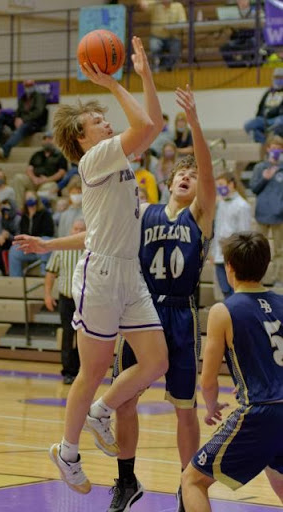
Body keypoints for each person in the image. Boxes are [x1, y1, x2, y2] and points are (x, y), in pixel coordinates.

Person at [13, 36, 168, 494]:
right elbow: (148, 126)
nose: (105, 122)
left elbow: (153, 122)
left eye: (104, 118)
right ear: (81, 139)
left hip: (126, 272)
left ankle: (102, 411)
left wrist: (50, 242)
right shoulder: (98, 157)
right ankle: (67, 450)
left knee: (156, 361)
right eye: (97, 121)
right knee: (92, 370)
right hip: (100, 276)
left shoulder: (116, 160)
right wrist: (122, 82)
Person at [108, 86, 215, 512]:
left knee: (184, 409)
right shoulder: (145, 211)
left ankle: (188, 486)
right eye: (181, 174)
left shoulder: (200, 215)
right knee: (125, 399)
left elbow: (207, 175)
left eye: (192, 175)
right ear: (169, 182)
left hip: (181, 313)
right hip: (140, 309)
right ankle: (126, 479)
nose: (187, 177)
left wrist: (194, 124)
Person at [182, 231, 283, 511]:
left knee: (192, 481)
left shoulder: (223, 310)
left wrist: (211, 404)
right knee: (278, 476)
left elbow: (209, 377)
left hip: (261, 412)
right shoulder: (282, 303)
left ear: (229, 267)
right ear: (266, 265)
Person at [44, 217, 86, 385]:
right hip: (66, 298)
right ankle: (68, 371)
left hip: (85, 300)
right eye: (75, 229)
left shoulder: (92, 248)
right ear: (70, 231)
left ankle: (83, 370)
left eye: (81, 229)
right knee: (68, 334)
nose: (77, 232)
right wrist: (47, 294)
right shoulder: (61, 249)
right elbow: (50, 273)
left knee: (84, 336)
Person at [212, 171, 252, 298]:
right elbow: (217, 230)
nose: (219, 188)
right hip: (220, 255)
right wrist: (214, 252)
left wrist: (239, 254)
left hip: (234, 255)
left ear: (231, 184)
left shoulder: (242, 205)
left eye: (222, 184)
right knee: (225, 291)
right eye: (217, 185)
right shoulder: (221, 203)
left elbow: (244, 233)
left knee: (235, 291)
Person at [250, 135, 283, 287]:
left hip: (280, 215)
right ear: (268, 148)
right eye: (273, 147)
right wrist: (264, 178)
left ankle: (279, 280)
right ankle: (257, 278)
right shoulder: (259, 168)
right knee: (259, 249)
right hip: (262, 214)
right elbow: (254, 189)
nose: (275, 150)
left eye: (279, 147)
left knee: (279, 250)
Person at [0, 79, 48, 159]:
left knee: (24, 127)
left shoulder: (39, 97)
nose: (29, 87)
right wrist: (16, 119)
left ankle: (4, 150)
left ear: (34, 86)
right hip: (22, 121)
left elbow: (38, 112)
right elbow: (18, 111)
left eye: (30, 85)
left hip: (34, 123)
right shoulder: (22, 98)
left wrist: (23, 119)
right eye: (27, 86)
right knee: (1, 116)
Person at [12, 131, 68, 208]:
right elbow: (29, 169)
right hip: (34, 181)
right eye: (45, 138)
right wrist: (34, 178)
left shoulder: (60, 156)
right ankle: (19, 209)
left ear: (55, 141)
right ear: (42, 141)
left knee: (48, 187)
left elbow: (61, 173)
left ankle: (39, 211)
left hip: (49, 182)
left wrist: (47, 180)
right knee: (18, 178)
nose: (48, 140)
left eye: (50, 138)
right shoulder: (36, 154)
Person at [8, 190, 53, 277]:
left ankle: (44, 275)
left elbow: (49, 232)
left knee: (46, 240)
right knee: (13, 250)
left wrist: (35, 240)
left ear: (36, 199)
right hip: (29, 246)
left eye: (31, 197)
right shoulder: (24, 216)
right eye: (27, 198)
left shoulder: (45, 214)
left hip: (40, 243)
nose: (30, 199)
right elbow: (22, 233)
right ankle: (15, 278)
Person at [139, 0, 187, 72]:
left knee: (176, 47)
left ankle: (170, 69)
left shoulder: (178, 6)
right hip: (157, 36)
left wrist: (173, 27)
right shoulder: (155, 5)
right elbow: (144, 5)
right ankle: (156, 69)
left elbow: (183, 22)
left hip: (173, 37)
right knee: (154, 47)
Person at [244, 67, 283, 144]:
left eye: (280, 78)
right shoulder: (268, 92)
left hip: (278, 118)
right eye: (276, 77)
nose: (278, 80)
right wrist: (259, 117)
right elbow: (260, 107)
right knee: (249, 125)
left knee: (280, 122)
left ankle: (276, 141)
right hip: (264, 119)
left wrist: (271, 112)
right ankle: (266, 142)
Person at [220, 0, 263, 69]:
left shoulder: (256, 10)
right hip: (239, 37)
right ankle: (237, 67)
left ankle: (253, 66)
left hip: (252, 36)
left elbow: (262, 24)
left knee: (252, 43)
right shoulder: (233, 12)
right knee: (225, 48)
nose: (241, 1)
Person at [0, 198, 21, 276]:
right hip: (3, 241)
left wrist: (8, 236)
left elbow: (19, 236)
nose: (5, 211)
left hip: (14, 241)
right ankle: (0, 269)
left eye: (7, 209)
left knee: (6, 248)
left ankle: (6, 271)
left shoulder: (18, 219)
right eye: (3, 208)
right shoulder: (0, 219)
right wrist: (0, 237)